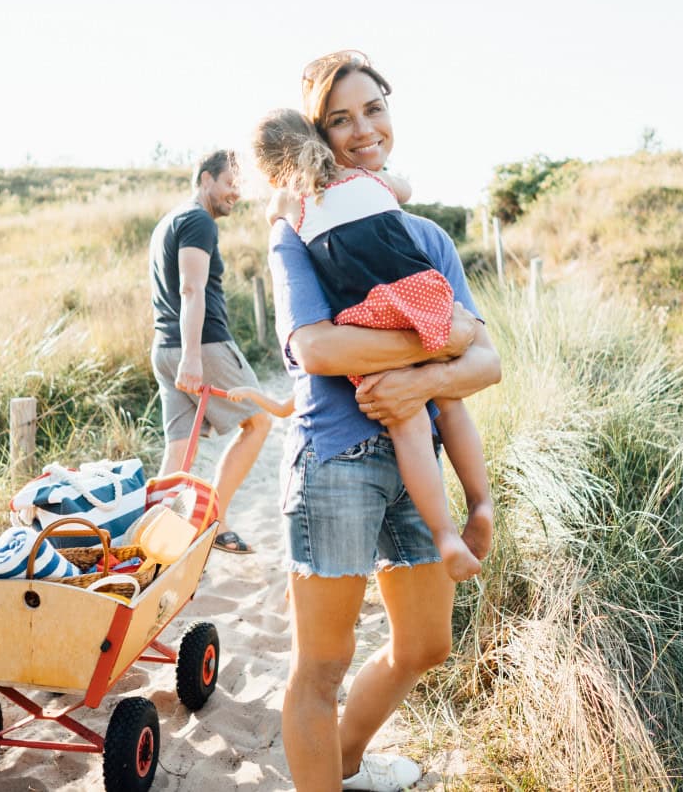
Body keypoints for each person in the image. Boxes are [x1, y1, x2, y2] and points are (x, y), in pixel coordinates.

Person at [267, 50, 501, 792]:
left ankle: (343, 760)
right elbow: (316, 347)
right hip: (335, 458)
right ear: (316, 139)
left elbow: (487, 361)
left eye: (373, 109)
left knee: (427, 644)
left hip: (417, 460)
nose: (362, 129)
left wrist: (422, 381)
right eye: (340, 119)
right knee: (322, 666)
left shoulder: (425, 236)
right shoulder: (298, 230)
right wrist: (439, 340)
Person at [237, 107, 491, 583]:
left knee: (409, 418)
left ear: (270, 172)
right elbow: (405, 190)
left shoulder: (295, 204)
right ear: (317, 137)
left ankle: (445, 535)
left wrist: (280, 200)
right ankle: (481, 502)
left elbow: (280, 211)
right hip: (423, 292)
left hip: (374, 314)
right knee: (449, 403)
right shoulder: (365, 179)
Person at [147, 149, 272, 554]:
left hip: (164, 348)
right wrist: (193, 356)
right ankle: (213, 519)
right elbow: (190, 288)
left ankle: (148, 543)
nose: (236, 193)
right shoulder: (197, 220)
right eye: (230, 183)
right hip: (202, 345)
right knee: (259, 422)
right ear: (205, 180)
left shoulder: (169, 221)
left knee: (179, 453)